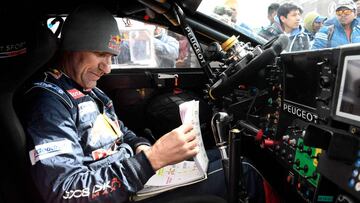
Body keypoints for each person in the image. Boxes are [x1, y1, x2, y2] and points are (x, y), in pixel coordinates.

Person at [19, 4, 273, 203]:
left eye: (110, 58)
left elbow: (121, 132)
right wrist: (150, 161)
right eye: (99, 55)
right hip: (117, 194)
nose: (106, 68)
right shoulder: (49, 102)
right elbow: (65, 191)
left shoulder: (92, 92)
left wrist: (141, 147)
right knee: (243, 172)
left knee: (225, 157)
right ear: (72, 47)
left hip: (131, 178)